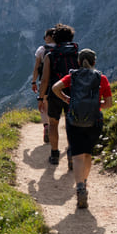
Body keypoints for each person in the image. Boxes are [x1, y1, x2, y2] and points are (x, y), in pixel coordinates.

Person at [51, 48, 113, 208]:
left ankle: (79, 187)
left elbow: (55, 88)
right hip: (94, 121)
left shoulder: (73, 76)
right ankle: (84, 183)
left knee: (77, 156)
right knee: (87, 154)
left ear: (78, 62)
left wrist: (67, 99)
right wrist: (94, 104)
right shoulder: (102, 78)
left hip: (74, 119)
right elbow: (108, 104)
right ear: (94, 62)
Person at [38, 23, 79, 167]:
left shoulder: (50, 55)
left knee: (54, 123)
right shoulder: (77, 54)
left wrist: (41, 97)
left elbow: (44, 80)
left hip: (55, 93)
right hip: (73, 94)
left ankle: (54, 154)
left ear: (55, 39)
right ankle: (71, 153)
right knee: (71, 125)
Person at [30, 27, 55, 143]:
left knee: (44, 105)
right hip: (61, 82)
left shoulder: (41, 50)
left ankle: (46, 126)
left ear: (48, 37)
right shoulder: (63, 49)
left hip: (45, 82)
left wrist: (34, 81)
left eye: (45, 36)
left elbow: (36, 68)